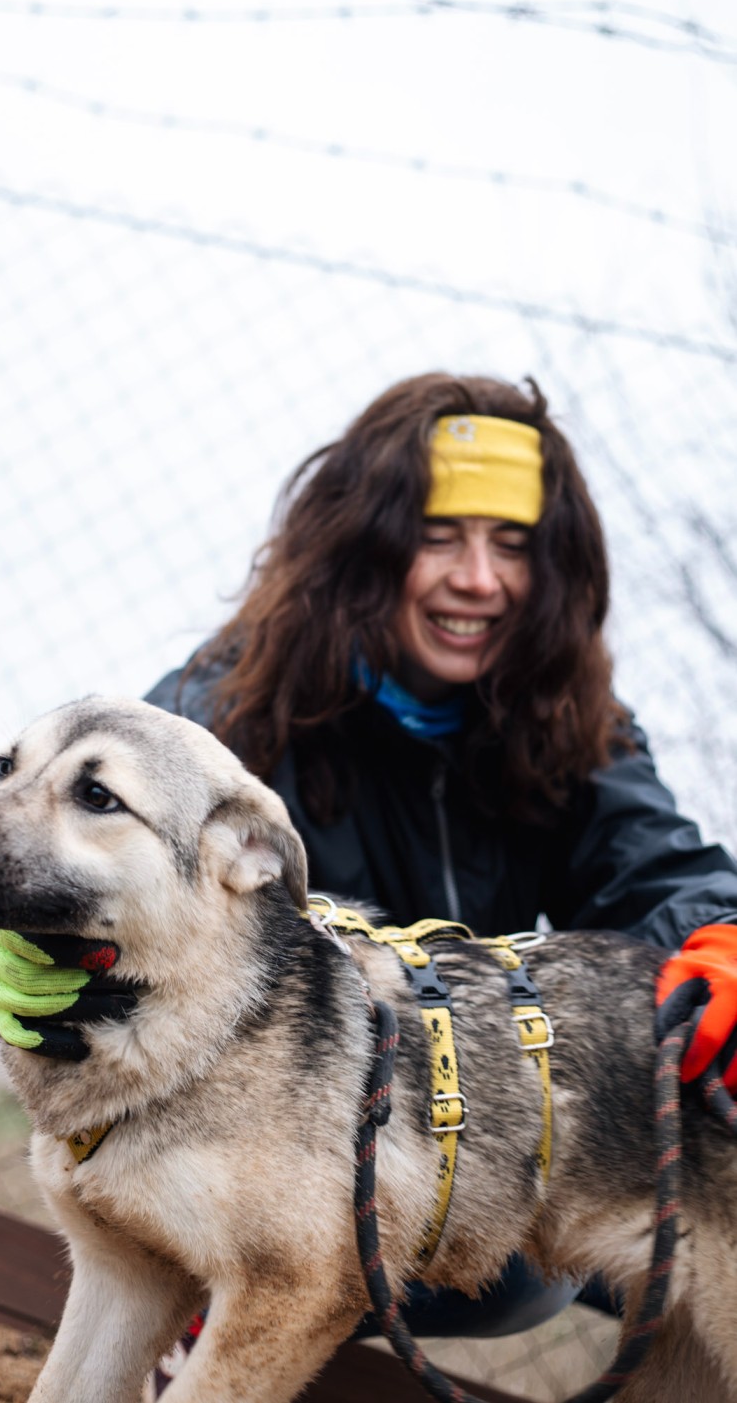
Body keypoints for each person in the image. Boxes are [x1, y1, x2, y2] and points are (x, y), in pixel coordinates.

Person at [146, 369, 737, 1341]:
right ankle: (207, 1319)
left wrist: (720, 936)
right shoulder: (223, 715)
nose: (479, 578)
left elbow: (660, 869)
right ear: (360, 550)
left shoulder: (566, 724)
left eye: (512, 545)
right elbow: (51, 869)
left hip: (483, 1171)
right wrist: (4, 963)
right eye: (437, 535)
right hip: (256, 1168)